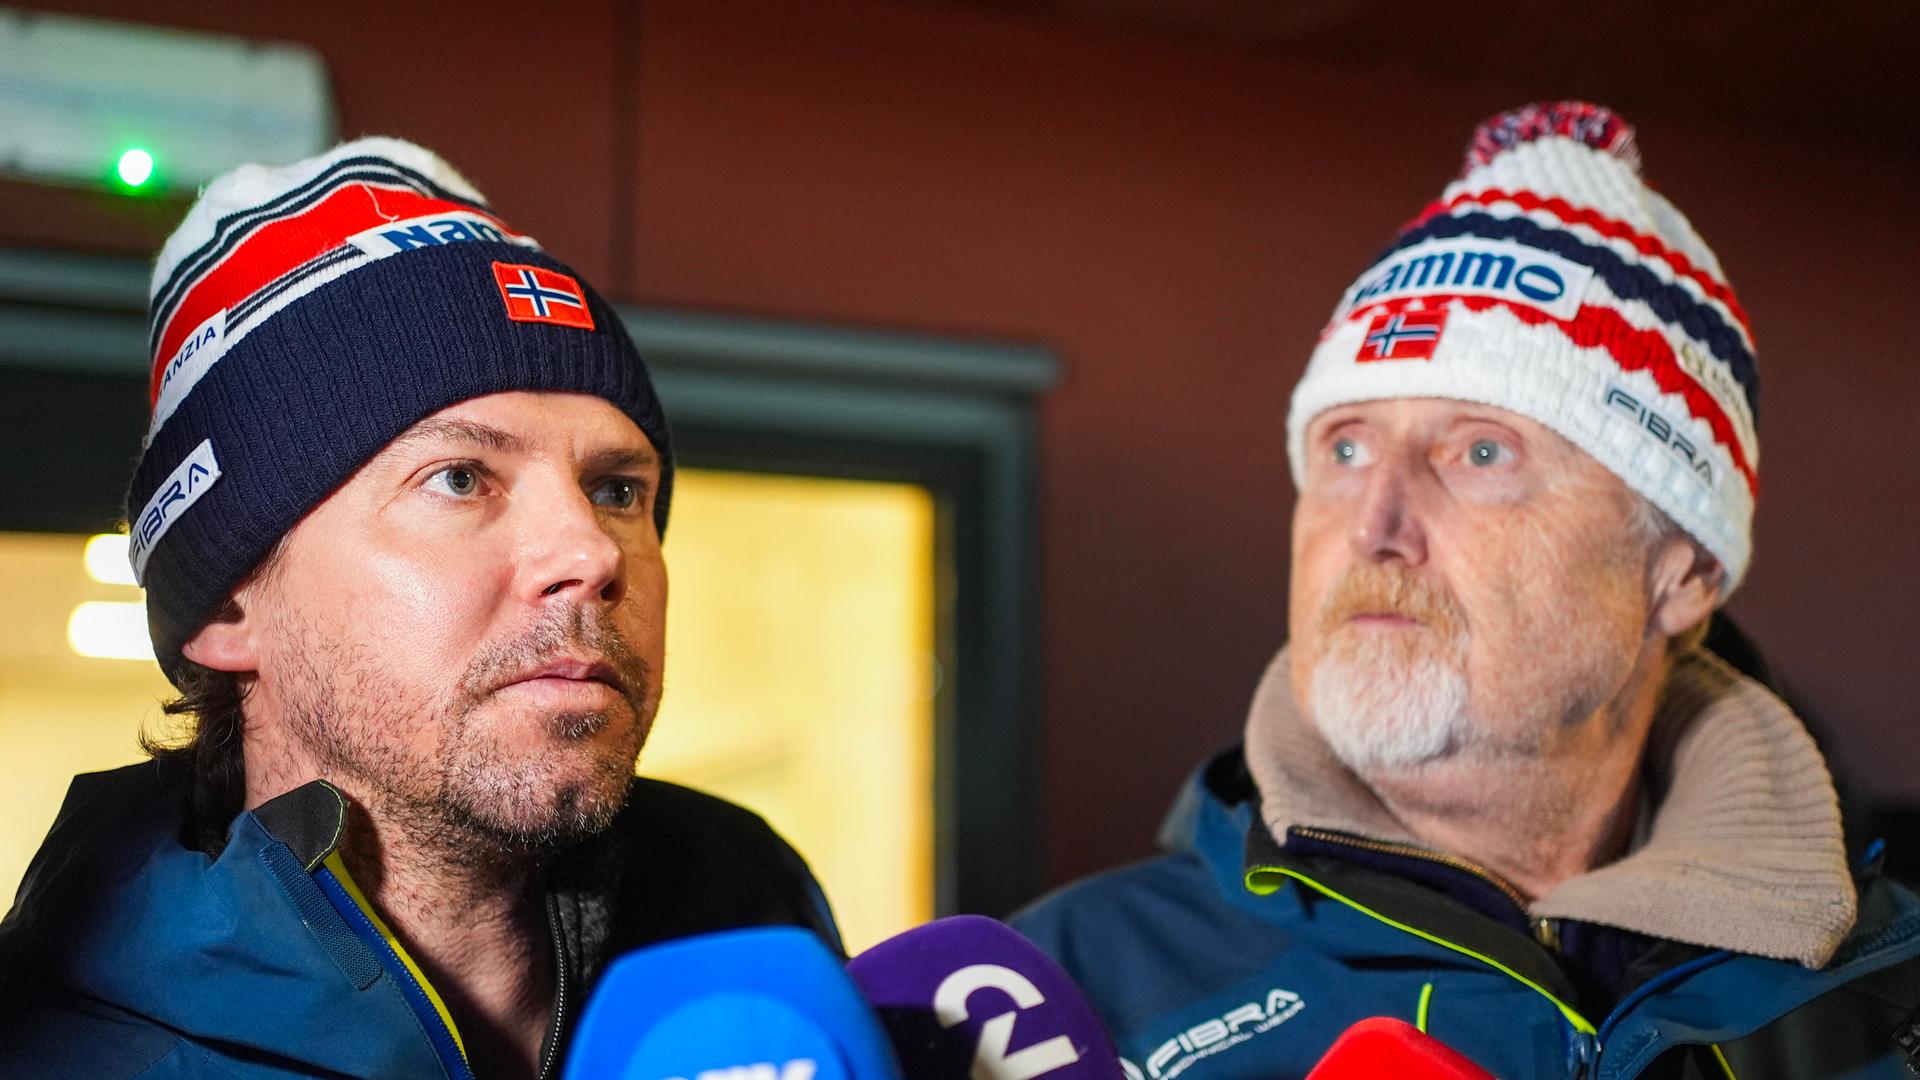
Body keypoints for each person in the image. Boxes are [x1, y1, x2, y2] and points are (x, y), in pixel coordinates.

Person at [1014, 103, 1920, 1078]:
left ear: (1683, 570)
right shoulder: (1051, 997)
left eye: (1481, 451)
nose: (1375, 524)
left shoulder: (1888, 999)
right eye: (1346, 448)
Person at [0, 139, 839, 1079]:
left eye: (615, 490)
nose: (592, 552)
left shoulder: (765, 944)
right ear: (230, 607)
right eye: (459, 477)